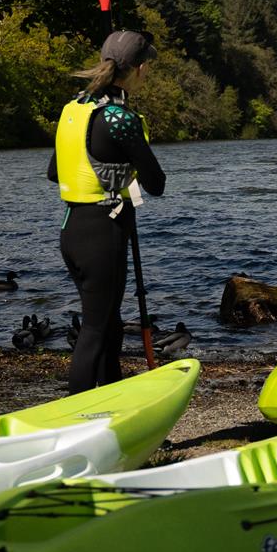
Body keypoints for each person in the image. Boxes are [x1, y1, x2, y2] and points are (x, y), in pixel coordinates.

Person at [47, 30, 166, 393]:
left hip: (73, 229)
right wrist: (124, 172)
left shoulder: (75, 109)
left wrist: (109, 170)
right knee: (96, 330)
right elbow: (156, 183)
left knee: (108, 323)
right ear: (140, 69)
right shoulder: (119, 118)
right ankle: (75, 410)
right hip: (103, 234)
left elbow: (55, 172)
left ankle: (110, 397)